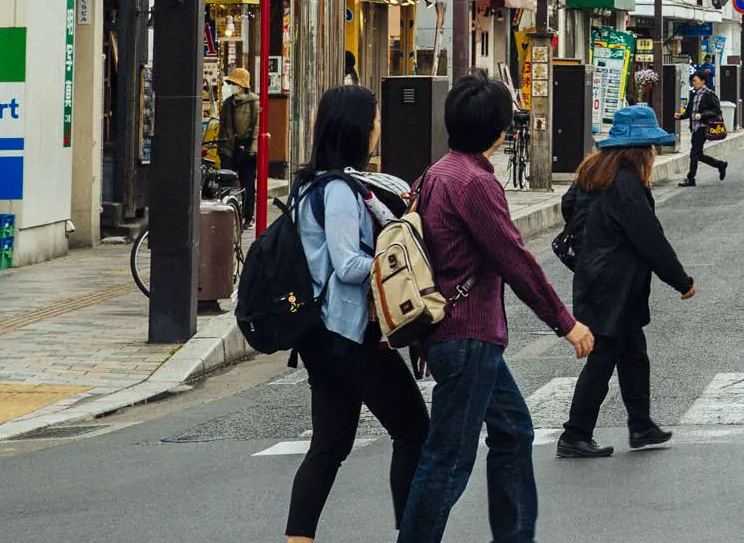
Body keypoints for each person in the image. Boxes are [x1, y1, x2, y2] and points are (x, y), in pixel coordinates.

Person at [396, 75, 594, 543]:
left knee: (514, 432)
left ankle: (515, 535)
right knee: (448, 460)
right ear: (499, 129)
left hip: (455, 335)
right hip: (468, 337)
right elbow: (515, 261)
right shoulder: (475, 183)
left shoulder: (435, 173)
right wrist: (566, 324)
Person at [284, 84, 425, 542]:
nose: (379, 129)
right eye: (375, 121)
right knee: (414, 431)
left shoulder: (308, 185)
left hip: (320, 336)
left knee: (329, 446)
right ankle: (411, 533)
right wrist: (396, 265)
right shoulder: (340, 191)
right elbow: (346, 265)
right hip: (348, 335)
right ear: (357, 130)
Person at [556, 105, 696, 458]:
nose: (653, 153)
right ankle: (575, 434)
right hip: (614, 286)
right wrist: (681, 280)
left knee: (634, 354)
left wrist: (594, 243)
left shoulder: (594, 172)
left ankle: (641, 425)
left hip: (598, 278)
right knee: (603, 357)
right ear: (639, 149)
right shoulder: (626, 183)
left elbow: (568, 205)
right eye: (650, 146)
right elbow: (650, 237)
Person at [682, 66, 729, 186]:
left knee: (694, 154)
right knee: (697, 154)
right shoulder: (694, 95)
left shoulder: (709, 94)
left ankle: (691, 178)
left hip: (703, 127)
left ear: (703, 81)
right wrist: (680, 116)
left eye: (695, 81)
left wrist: (702, 115)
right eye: (693, 81)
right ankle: (719, 164)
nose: (694, 83)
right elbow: (689, 112)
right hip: (694, 128)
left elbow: (716, 111)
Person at [219, 69, 259, 200]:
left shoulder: (254, 103)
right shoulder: (227, 103)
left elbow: (256, 128)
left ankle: (247, 215)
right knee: (225, 182)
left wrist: (253, 149)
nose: (232, 86)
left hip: (245, 147)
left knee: (247, 183)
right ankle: (225, 210)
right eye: (230, 83)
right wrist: (221, 147)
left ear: (242, 86)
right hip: (229, 146)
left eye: (234, 83)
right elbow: (223, 126)